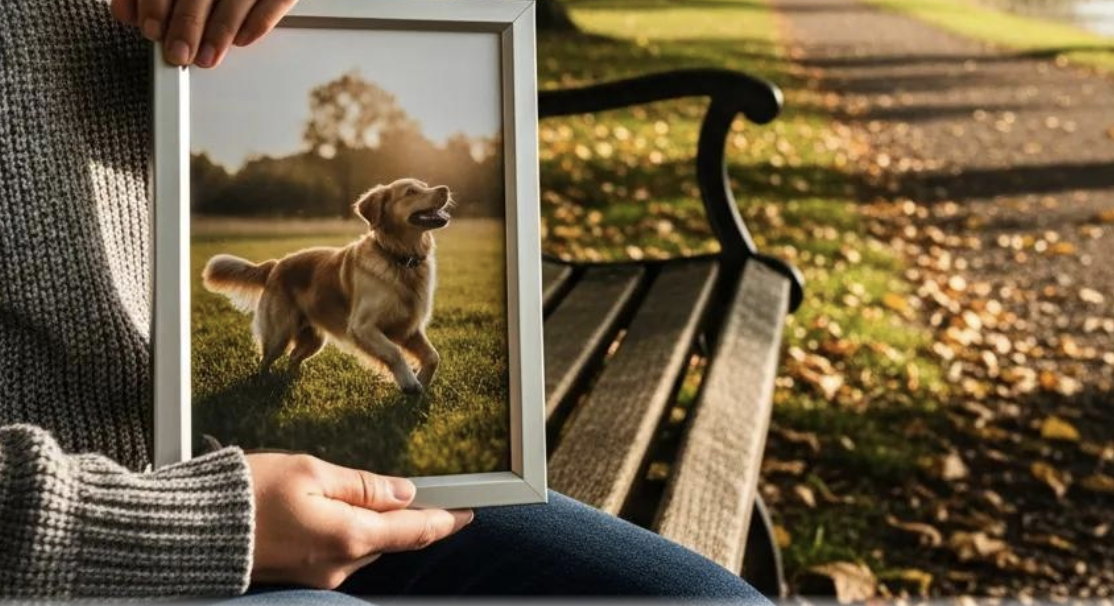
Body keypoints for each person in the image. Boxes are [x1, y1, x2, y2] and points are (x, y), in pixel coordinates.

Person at [0, 0, 769, 601]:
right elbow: (369, 329)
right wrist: (180, 526)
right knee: (291, 348)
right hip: (93, 542)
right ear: (376, 215)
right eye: (410, 193)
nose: (433, 195)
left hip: (277, 471)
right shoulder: (362, 248)